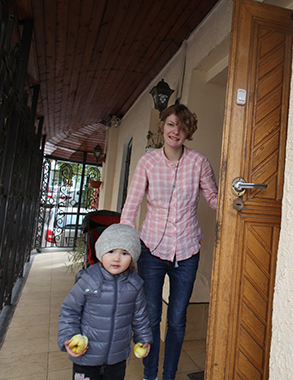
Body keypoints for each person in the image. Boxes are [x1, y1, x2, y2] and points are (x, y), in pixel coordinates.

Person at [120, 103, 218, 380]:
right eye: (171, 124)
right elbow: (131, 206)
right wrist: (124, 247)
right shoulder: (147, 163)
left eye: (182, 126)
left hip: (187, 250)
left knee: (176, 320)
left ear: (189, 131)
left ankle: (169, 375)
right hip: (151, 248)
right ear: (163, 126)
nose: (176, 131)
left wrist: (229, 203)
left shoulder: (198, 162)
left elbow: (211, 196)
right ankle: (150, 375)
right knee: (151, 318)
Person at [58, 223, 152, 380]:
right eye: (111, 251)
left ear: (133, 256)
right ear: (101, 252)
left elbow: (140, 316)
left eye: (124, 253)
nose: (116, 258)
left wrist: (143, 338)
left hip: (117, 359)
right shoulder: (88, 280)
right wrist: (68, 336)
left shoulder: (135, 285)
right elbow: (69, 310)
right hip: (86, 358)